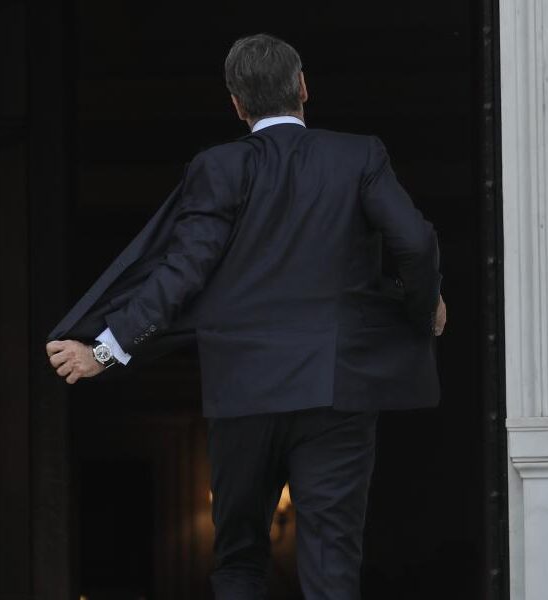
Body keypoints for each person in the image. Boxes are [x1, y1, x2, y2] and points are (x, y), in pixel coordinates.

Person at [44, 33, 445, 600]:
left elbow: (180, 274)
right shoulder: (359, 155)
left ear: (236, 104)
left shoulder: (219, 167)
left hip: (244, 395)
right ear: (303, 86)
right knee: (333, 566)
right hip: (337, 392)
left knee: (239, 561)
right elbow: (416, 243)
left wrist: (103, 352)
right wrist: (422, 307)